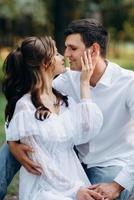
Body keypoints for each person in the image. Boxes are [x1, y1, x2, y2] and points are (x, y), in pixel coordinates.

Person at [2, 36, 103, 200]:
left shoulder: (63, 99)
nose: (63, 57)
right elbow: (40, 163)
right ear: (45, 63)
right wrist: (74, 191)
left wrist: (84, 84)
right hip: (46, 185)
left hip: (73, 176)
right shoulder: (26, 106)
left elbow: (88, 130)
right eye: (56, 54)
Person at [52, 18, 134, 200]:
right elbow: (28, 105)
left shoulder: (129, 83)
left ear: (94, 49)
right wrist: (13, 141)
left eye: (73, 48)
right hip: (73, 161)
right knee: (16, 142)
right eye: (66, 48)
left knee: (96, 197)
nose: (66, 54)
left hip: (111, 164)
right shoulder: (67, 80)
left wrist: (117, 185)